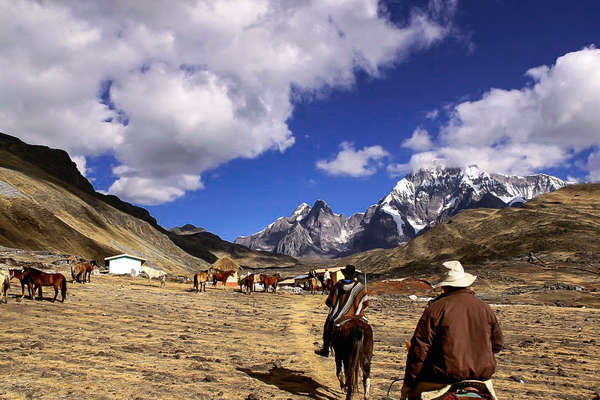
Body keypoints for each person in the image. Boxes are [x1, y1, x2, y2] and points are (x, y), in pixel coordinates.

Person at [400, 261, 503, 400]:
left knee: (412, 397)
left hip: (441, 379)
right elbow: (497, 345)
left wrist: (408, 384)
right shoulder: (485, 308)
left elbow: (419, 350)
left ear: (444, 286)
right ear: (466, 283)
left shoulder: (435, 309)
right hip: (481, 380)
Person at [314, 264, 368, 357]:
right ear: (354, 275)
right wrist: (356, 310)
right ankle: (367, 353)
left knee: (327, 324)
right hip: (356, 314)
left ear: (344, 274)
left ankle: (325, 348)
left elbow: (330, 301)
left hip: (339, 315)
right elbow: (365, 303)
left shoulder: (338, 285)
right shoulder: (360, 287)